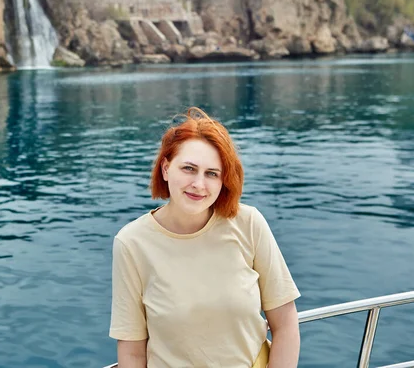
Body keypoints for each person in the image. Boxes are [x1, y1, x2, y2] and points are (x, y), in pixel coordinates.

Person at [109, 107, 301, 368]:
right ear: (166, 169)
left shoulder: (248, 222)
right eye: (189, 168)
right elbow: (132, 352)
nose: (199, 184)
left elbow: (286, 323)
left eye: (212, 173)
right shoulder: (131, 243)